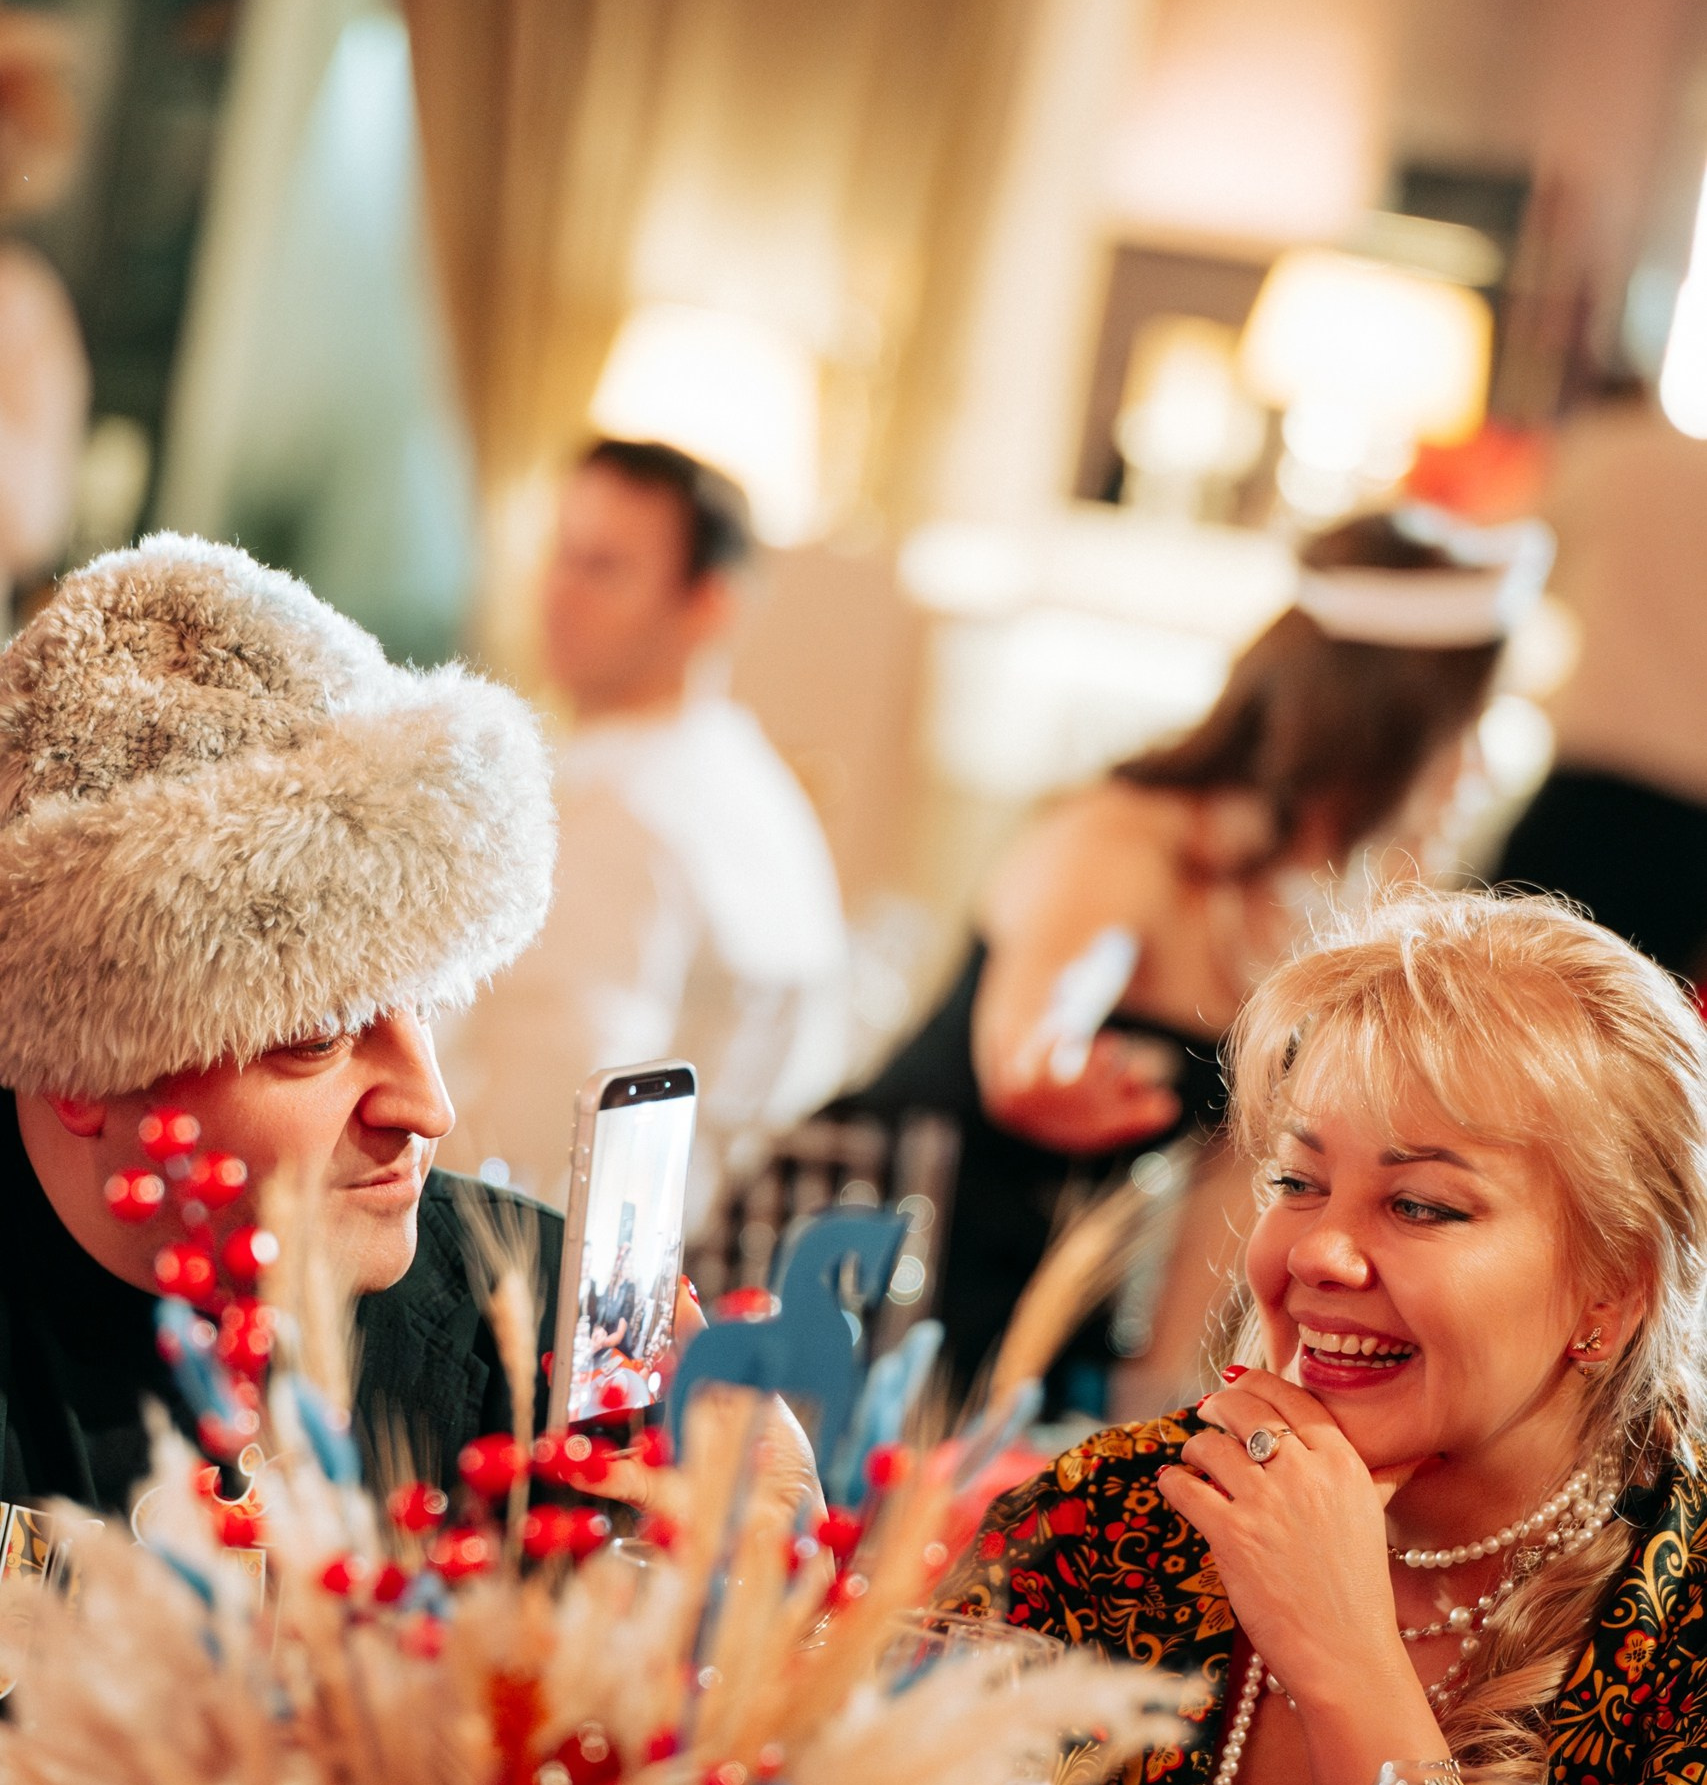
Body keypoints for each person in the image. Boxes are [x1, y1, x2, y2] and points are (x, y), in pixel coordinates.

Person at [962, 887, 1707, 1785]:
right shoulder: (1114, 1520)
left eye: (1420, 1204)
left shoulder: (1683, 1621)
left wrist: (1343, 1657)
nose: (1316, 1252)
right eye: (1297, 1181)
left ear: (1614, 1287)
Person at [849, 507, 1548, 1410]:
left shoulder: (1342, 912)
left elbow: (1230, 1188)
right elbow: (1030, 1037)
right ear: (1392, 723)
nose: (1481, 769)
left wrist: (1160, 1398)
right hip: (875, 1248)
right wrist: (1049, 1068)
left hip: (1053, 1305)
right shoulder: (1126, 834)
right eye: (1471, 724)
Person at [0, 532, 560, 1515]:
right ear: (83, 1073)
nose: (428, 1107)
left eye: (426, 1003)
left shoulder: (549, 1329)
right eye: (319, 1037)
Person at [436, 439, 850, 1227]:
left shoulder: (621, 810)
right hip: (700, 1240)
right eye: (561, 555)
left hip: (563, 1250)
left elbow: (544, 1119)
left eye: (603, 569)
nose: (558, 593)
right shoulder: (749, 776)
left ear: (710, 604)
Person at [1494, 388, 1707, 979]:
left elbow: (1507, 561)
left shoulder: (1597, 450)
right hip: (1696, 808)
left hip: (1595, 777)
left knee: (1492, 981)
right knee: (1635, 1008)